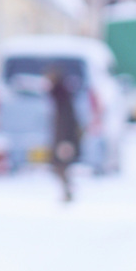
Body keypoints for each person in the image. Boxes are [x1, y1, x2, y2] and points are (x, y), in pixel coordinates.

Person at [48, 68, 82, 204]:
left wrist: (65, 139)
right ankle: (67, 190)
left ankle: (68, 191)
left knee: (61, 165)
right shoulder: (60, 95)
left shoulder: (61, 96)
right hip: (63, 136)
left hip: (64, 138)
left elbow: (66, 120)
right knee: (61, 166)